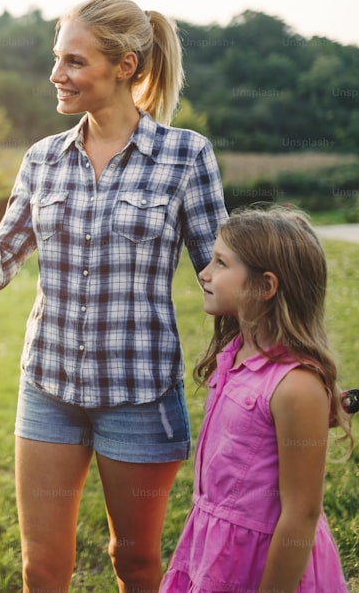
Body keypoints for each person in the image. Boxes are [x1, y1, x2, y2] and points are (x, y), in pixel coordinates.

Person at [0, 0, 228, 591]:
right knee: (41, 565)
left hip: (139, 394)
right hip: (48, 388)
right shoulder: (43, 160)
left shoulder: (185, 156)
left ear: (126, 66)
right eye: (56, 59)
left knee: (134, 561)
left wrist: (268, 365)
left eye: (75, 62)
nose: (56, 75)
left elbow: (222, 275)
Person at [160, 206, 352, 592]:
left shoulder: (295, 386)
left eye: (220, 263)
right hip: (216, 547)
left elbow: (301, 514)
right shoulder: (234, 354)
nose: (204, 273)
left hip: (267, 563)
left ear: (265, 286)